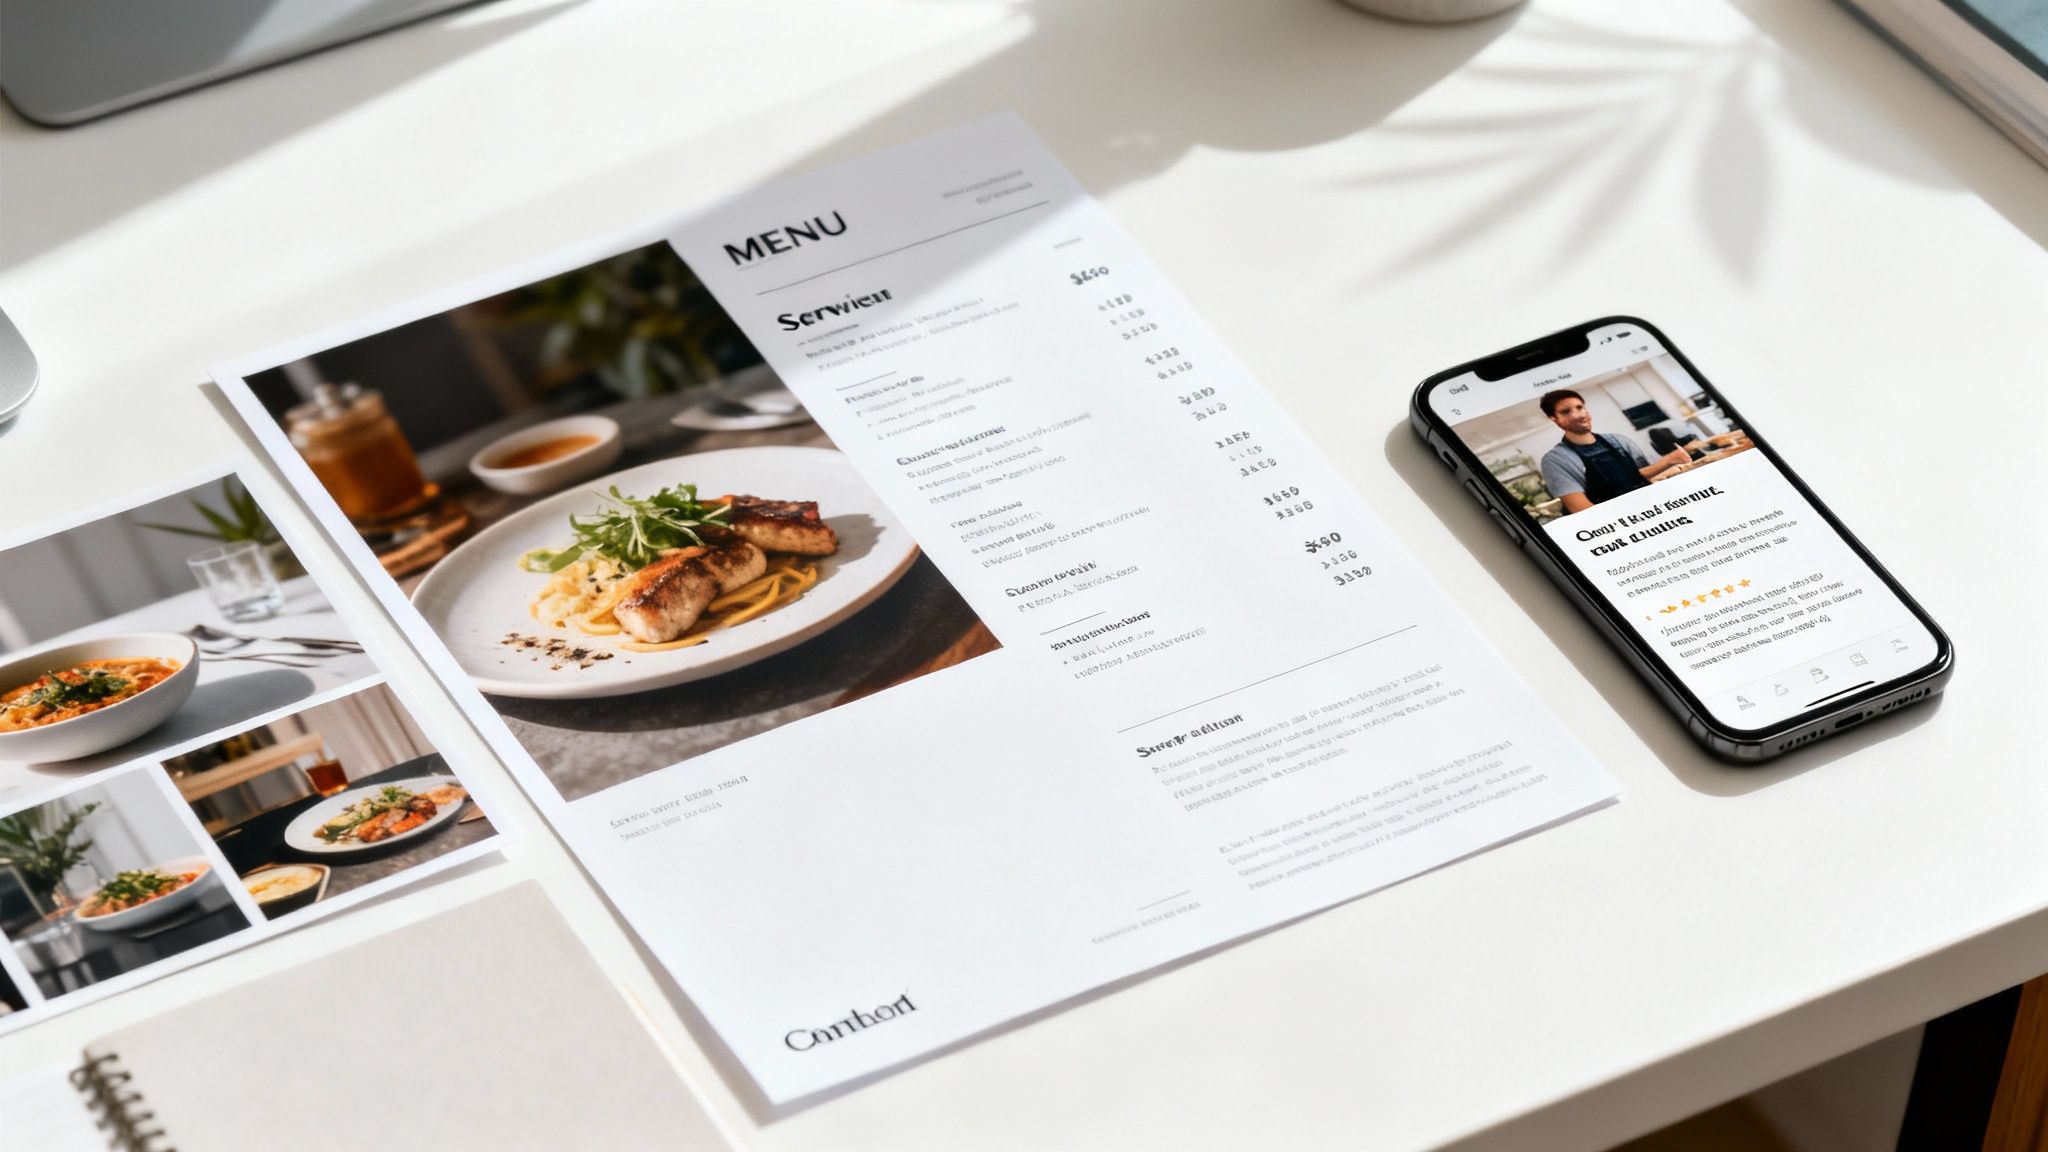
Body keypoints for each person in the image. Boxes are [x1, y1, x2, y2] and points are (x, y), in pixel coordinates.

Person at [1536, 389, 1690, 513]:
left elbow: (1637, 477)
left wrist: (1670, 462)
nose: (1579, 415)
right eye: (1566, 412)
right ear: (1554, 419)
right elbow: (1581, 511)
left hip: (1654, 509)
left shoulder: (1618, 441)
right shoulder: (1555, 460)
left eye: (1580, 407)